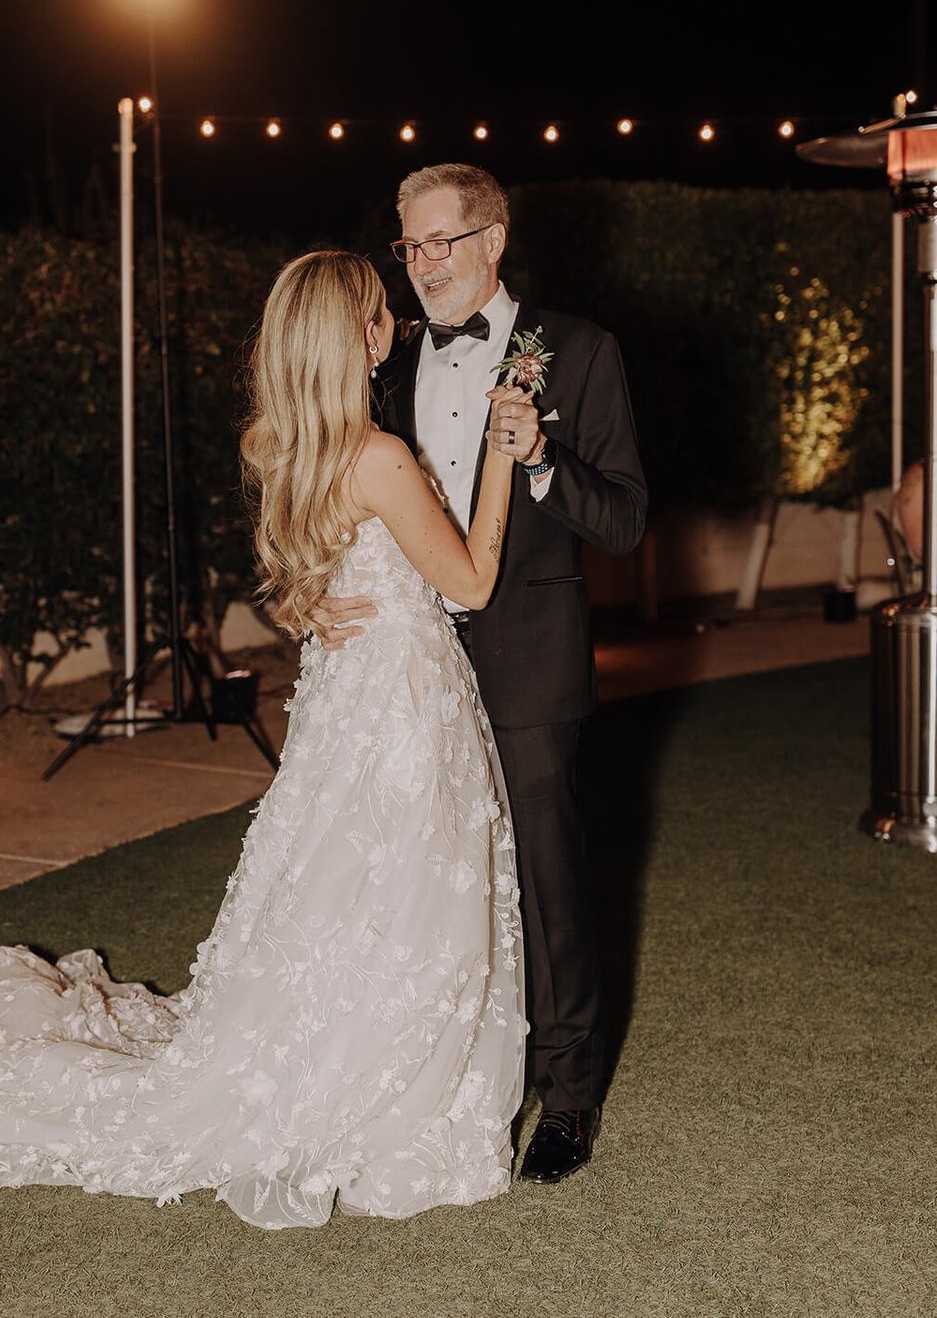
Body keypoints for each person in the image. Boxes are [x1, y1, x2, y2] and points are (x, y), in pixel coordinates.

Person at [0, 251, 528, 1229]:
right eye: (380, 313)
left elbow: (299, 589)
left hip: (346, 708)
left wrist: (323, 609)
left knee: (346, 897)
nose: (394, 324)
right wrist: (504, 457)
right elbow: (468, 583)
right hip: (404, 709)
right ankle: (393, 1097)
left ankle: (361, 1065)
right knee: (411, 897)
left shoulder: (281, 448)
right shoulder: (376, 456)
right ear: (355, 337)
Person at [312, 165, 648, 1183]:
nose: (421, 267)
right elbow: (313, 470)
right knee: (420, 881)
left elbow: (626, 520)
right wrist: (306, 590)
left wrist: (542, 458)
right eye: (408, 248)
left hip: (528, 662)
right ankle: (437, 1078)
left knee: (544, 879)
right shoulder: (386, 359)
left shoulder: (577, 351)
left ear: (493, 241)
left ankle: (568, 1096)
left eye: (441, 243)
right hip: (406, 665)